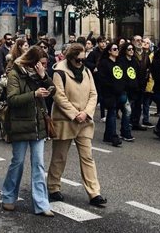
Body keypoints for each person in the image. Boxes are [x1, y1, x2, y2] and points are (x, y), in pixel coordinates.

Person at [47, 43, 107, 208]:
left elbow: (93, 94)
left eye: (84, 59)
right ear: (70, 58)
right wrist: (74, 114)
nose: (81, 62)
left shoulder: (87, 71)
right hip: (66, 120)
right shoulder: (59, 71)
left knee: (87, 157)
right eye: (78, 60)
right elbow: (58, 96)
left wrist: (86, 113)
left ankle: (94, 193)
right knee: (60, 156)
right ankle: (53, 187)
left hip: (84, 121)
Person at [1, 46, 55, 217]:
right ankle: (9, 197)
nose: (43, 67)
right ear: (32, 62)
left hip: (37, 124)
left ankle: (41, 204)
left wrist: (43, 77)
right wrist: (34, 94)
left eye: (45, 64)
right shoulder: (14, 74)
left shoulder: (39, 74)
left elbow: (53, 89)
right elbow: (12, 99)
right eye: (41, 64)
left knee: (38, 164)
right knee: (17, 162)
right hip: (20, 124)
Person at [96, 42, 125, 147]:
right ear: (109, 51)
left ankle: (107, 135)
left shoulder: (119, 62)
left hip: (119, 92)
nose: (117, 50)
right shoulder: (104, 63)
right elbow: (102, 78)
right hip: (109, 93)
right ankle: (113, 136)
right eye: (114, 49)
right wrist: (112, 86)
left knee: (113, 114)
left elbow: (122, 76)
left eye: (117, 49)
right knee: (112, 112)